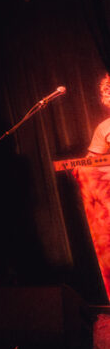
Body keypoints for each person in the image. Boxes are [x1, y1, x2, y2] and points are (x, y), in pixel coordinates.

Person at [75, 74, 110, 301]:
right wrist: (79, 167)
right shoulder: (104, 127)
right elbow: (92, 162)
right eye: (105, 91)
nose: (106, 95)